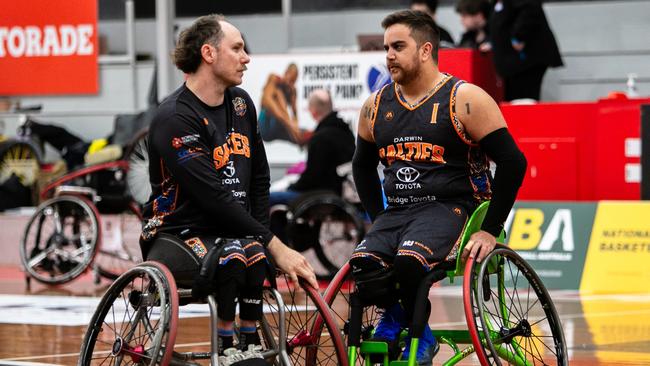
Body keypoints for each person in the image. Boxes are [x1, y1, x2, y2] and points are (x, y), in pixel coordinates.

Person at [350, 10, 527, 364]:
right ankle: (414, 327)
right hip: (400, 211)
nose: (388, 55)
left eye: (398, 46)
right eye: (386, 47)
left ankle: (411, 331)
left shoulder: (466, 99)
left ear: (426, 50)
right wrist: (379, 217)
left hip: (452, 206)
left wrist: (490, 229)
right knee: (364, 267)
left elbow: (513, 162)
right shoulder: (374, 106)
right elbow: (361, 166)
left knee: (408, 264)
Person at [140, 14, 317, 359]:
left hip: (232, 232)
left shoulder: (241, 104)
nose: (246, 57)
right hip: (176, 233)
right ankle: (226, 346)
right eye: (237, 48)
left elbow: (260, 180)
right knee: (236, 255)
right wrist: (274, 244)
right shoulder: (174, 117)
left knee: (248, 251)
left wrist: (261, 235)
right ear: (208, 53)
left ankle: (248, 343)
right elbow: (213, 197)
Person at [269, 88, 355, 206]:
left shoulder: (320, 138)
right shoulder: (346, 132)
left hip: (323, 195)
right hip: (341, 193)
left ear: (313, 111)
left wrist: (291, 187)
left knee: (270, 198)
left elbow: (311, 179)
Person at [488, 0, 563, 101]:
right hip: (511, 63)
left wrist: (518, 37)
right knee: (514, 100)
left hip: (525, 61)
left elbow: (530, 9)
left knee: (524, 99)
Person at [258, 63, 303, 144]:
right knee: (279, 94)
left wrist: (295, 127)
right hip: (265, 125)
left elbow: (295, 113)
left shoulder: (292, 90)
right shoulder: (274, 78)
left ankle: (296, 133)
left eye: (293, 81)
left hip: (278, 126)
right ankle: (291, 129)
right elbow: (266, 100)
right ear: (286, 73)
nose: (290, 83)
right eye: (290, 80)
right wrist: (289, 123)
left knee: (302, 133)